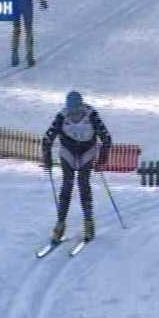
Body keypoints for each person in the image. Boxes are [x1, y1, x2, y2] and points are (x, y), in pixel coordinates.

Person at [42, 91, 112, 242]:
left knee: (83, 183)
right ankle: (60, 224)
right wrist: (47, 159)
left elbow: (106, 138)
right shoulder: (62, 116)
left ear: (81, 107)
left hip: (87, 151)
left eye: (77, 111)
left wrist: (101, 160)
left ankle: (88, 223)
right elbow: (47, 139)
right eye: (71, 111)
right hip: (68, 151)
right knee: (67, 185)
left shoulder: (91, 115)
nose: (74, 115)